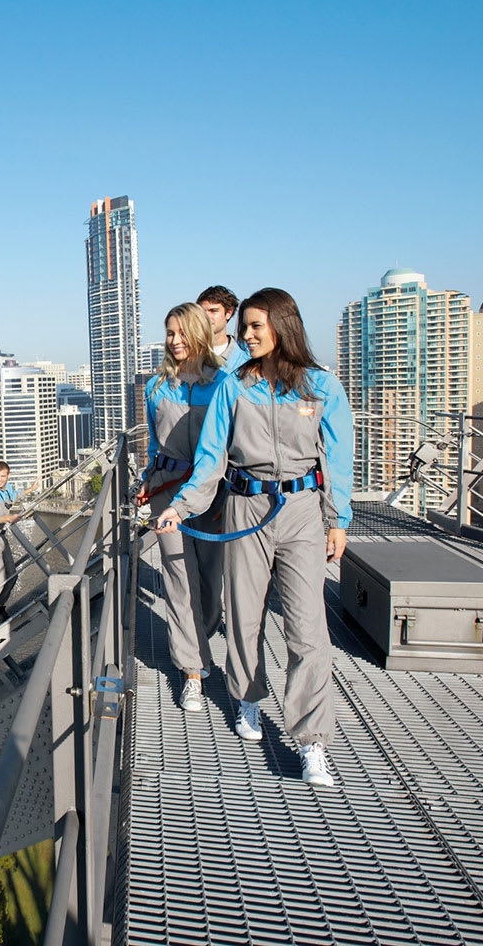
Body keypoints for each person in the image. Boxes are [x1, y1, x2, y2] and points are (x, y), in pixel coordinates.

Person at [156, 287, 353, 789]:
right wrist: (180, 507)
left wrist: (339, 519)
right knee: (244, 614)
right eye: (243, 327)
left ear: (283, 327)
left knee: (307, 628)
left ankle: (312, 742)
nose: (245, 336)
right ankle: (246, 697)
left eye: (255, 327)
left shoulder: (320, 386)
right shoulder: (233, 388)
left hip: (303, 513)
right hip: (245, 505)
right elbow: (210, 459)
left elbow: (338, 457)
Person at [142, 302, 227, 714]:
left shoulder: (224, 384)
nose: (174, 341)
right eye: (169, 333)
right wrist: (148, 479)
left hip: (214, 494)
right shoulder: (157, 387)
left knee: (211, 582)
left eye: (181, 333)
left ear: (198, 332)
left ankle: (201, 637)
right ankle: (192, 670)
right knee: (179, 579)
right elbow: (155, 444)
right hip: (167, 492)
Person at [0, 461, 36, 628]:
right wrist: (9, 518)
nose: (0, 480)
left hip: (0, 536)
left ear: (8, 476)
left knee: (12, 574)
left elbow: (14, 496)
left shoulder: (7, 488)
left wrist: (30, 489)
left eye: (3, 476)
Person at [197, 285, 252, 374]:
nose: (206, 317)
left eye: (213, 311)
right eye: (202, 312)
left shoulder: (246, 360)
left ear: (228, 313)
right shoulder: (187, 357)